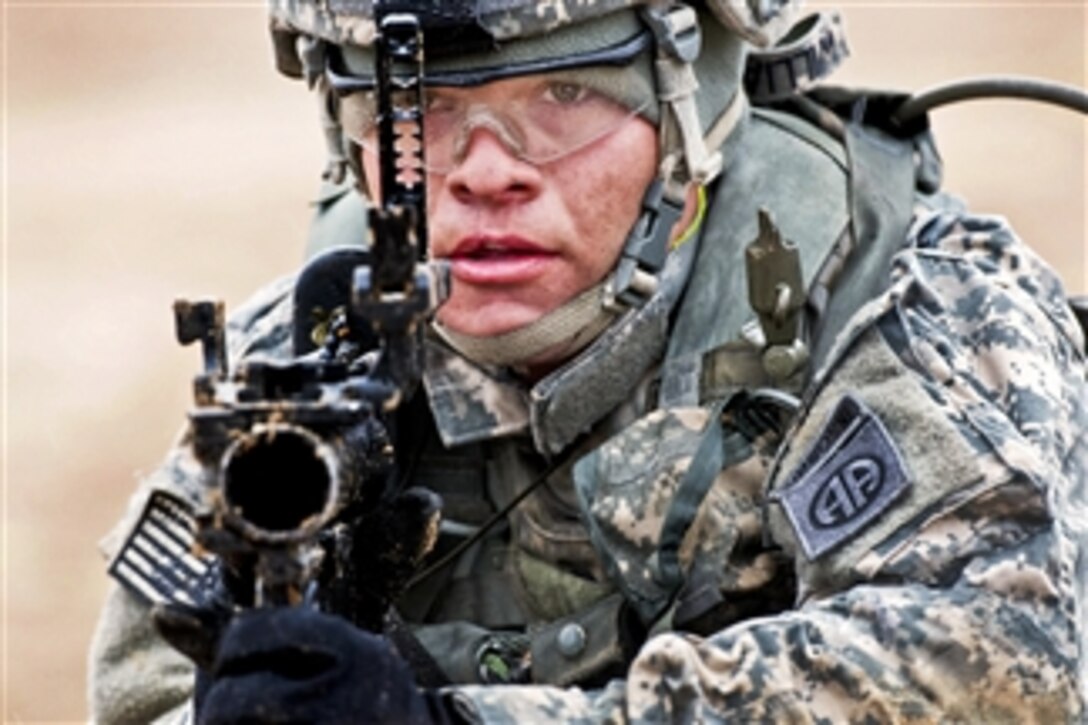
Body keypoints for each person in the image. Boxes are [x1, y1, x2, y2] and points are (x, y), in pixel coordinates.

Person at [89, 0, 1088, 722]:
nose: (483, 169)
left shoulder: (902, 299)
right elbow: (146, 688)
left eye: (564, 92)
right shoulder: (303, 364)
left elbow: (999, 673)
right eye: (419, 110)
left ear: (689, 107)